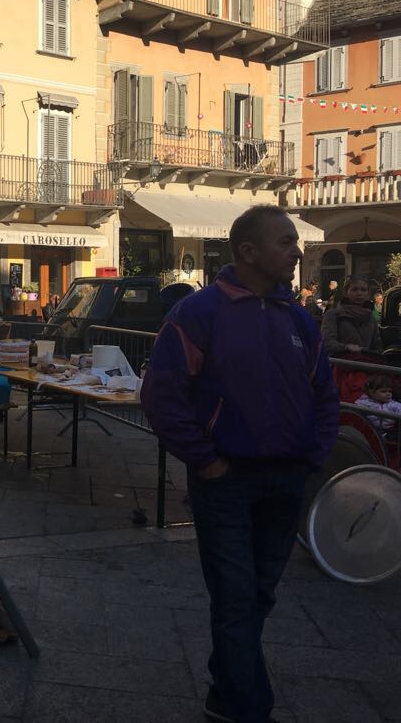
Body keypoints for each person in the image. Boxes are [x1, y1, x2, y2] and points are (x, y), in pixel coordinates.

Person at [141, 204, 338, 723]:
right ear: (248, 251)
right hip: (225, 480)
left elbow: (324, 393)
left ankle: (225, 692)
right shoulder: (198, 313)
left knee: (259, 595)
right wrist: (206, 462)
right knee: (235, 598)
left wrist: (314, 454)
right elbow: (161, 396)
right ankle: (249, 709)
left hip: (287, 479)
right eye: (285, 242)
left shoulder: (299, 319)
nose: (296, 251)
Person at [321, 276, 382, 357]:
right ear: (346, 292)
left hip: (365, 362)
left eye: (363, 290)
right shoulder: (334, 314)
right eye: (354, 289)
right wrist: (346, 348)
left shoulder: (370, 317)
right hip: (341, 362)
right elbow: (327, 342)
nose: (359, 293)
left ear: (367, 293)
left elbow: (377, 345)